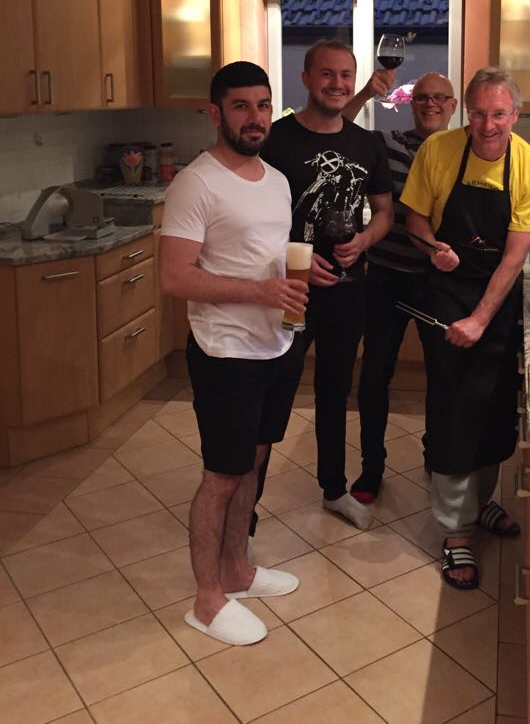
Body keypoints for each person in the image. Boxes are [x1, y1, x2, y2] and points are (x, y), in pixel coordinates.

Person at [159, 61, 308, 646]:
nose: (255, 117)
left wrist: (296, 278)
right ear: (215, 113)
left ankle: (237, 570)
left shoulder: (276, 180)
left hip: (276, 343)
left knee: (254, 462)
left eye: (263, 105)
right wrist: (259, 292)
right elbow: (175, 277)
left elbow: (262, 254)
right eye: (241, 106)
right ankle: (207, 600)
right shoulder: (196, 183)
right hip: (225, 352)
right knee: (221, 476)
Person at [402, 67, 530, 590]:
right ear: (467, 112)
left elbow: (512, 260)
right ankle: (455, 530)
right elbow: (415, 220)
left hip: (495, 301)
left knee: (491, 409)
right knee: (452, 410)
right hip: (446, 296)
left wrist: (481, 319)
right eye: (479, 114)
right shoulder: (438, 151)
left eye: (499, 114)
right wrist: (432, 248)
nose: (488, 126)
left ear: (516, 114)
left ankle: (479, 502)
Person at [261, 40, 394, 529]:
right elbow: (253, 219)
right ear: (305, 78)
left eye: (345, 75)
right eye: (327, 74)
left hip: (347, 289)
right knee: (274, 391)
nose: (337, 84)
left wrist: (364, 241)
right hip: (289, 290)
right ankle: (245, 510)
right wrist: (293, 258)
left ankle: (334, 489)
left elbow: (384, 212)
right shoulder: (274, 140)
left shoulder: (367, 144)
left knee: (335, 392)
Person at [341, 70, 458, 502]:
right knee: (374, 375)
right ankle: (371, 468)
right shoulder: (385, 143)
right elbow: (340, 130)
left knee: (443, 376)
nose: (431, 104)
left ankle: (435, 451)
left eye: (440, 98)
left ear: (453, 106)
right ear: (411, 103)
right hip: (386, 277)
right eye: (423, 97)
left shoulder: (462, 149)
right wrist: (363, 93)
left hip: (438, 282)